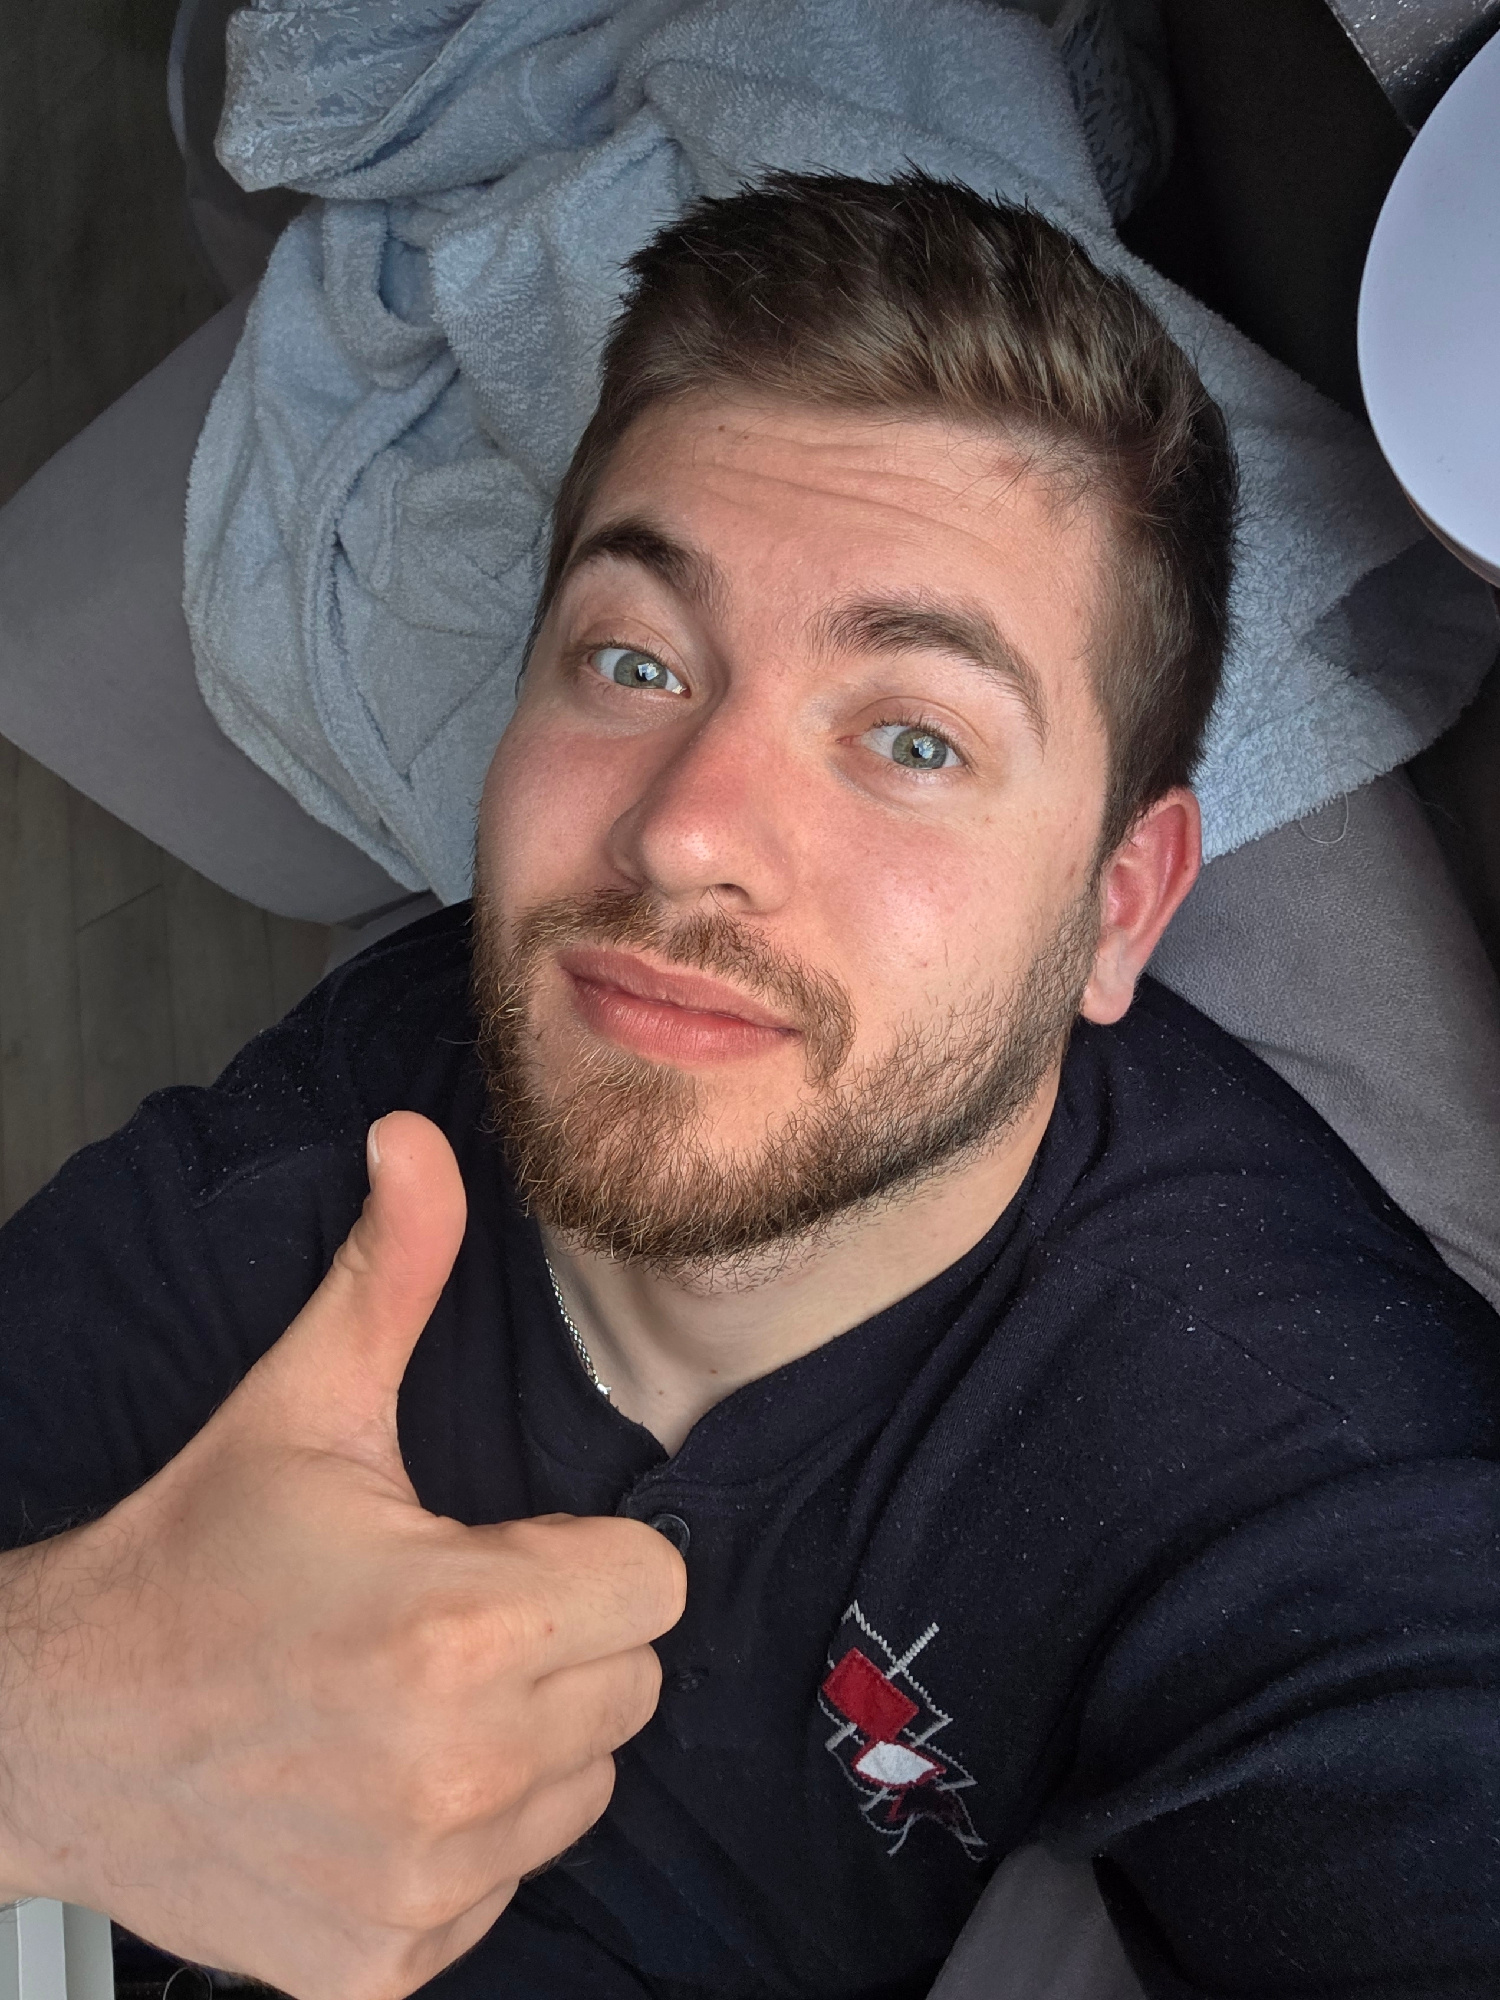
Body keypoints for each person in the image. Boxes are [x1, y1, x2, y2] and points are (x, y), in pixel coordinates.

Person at [0, 172, 1496, 2000]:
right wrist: (48, 1722)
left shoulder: (1284, 1439)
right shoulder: (352, 1129)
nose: (686, 828)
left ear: (1119, 905)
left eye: (912, 739)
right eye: (635, 661)